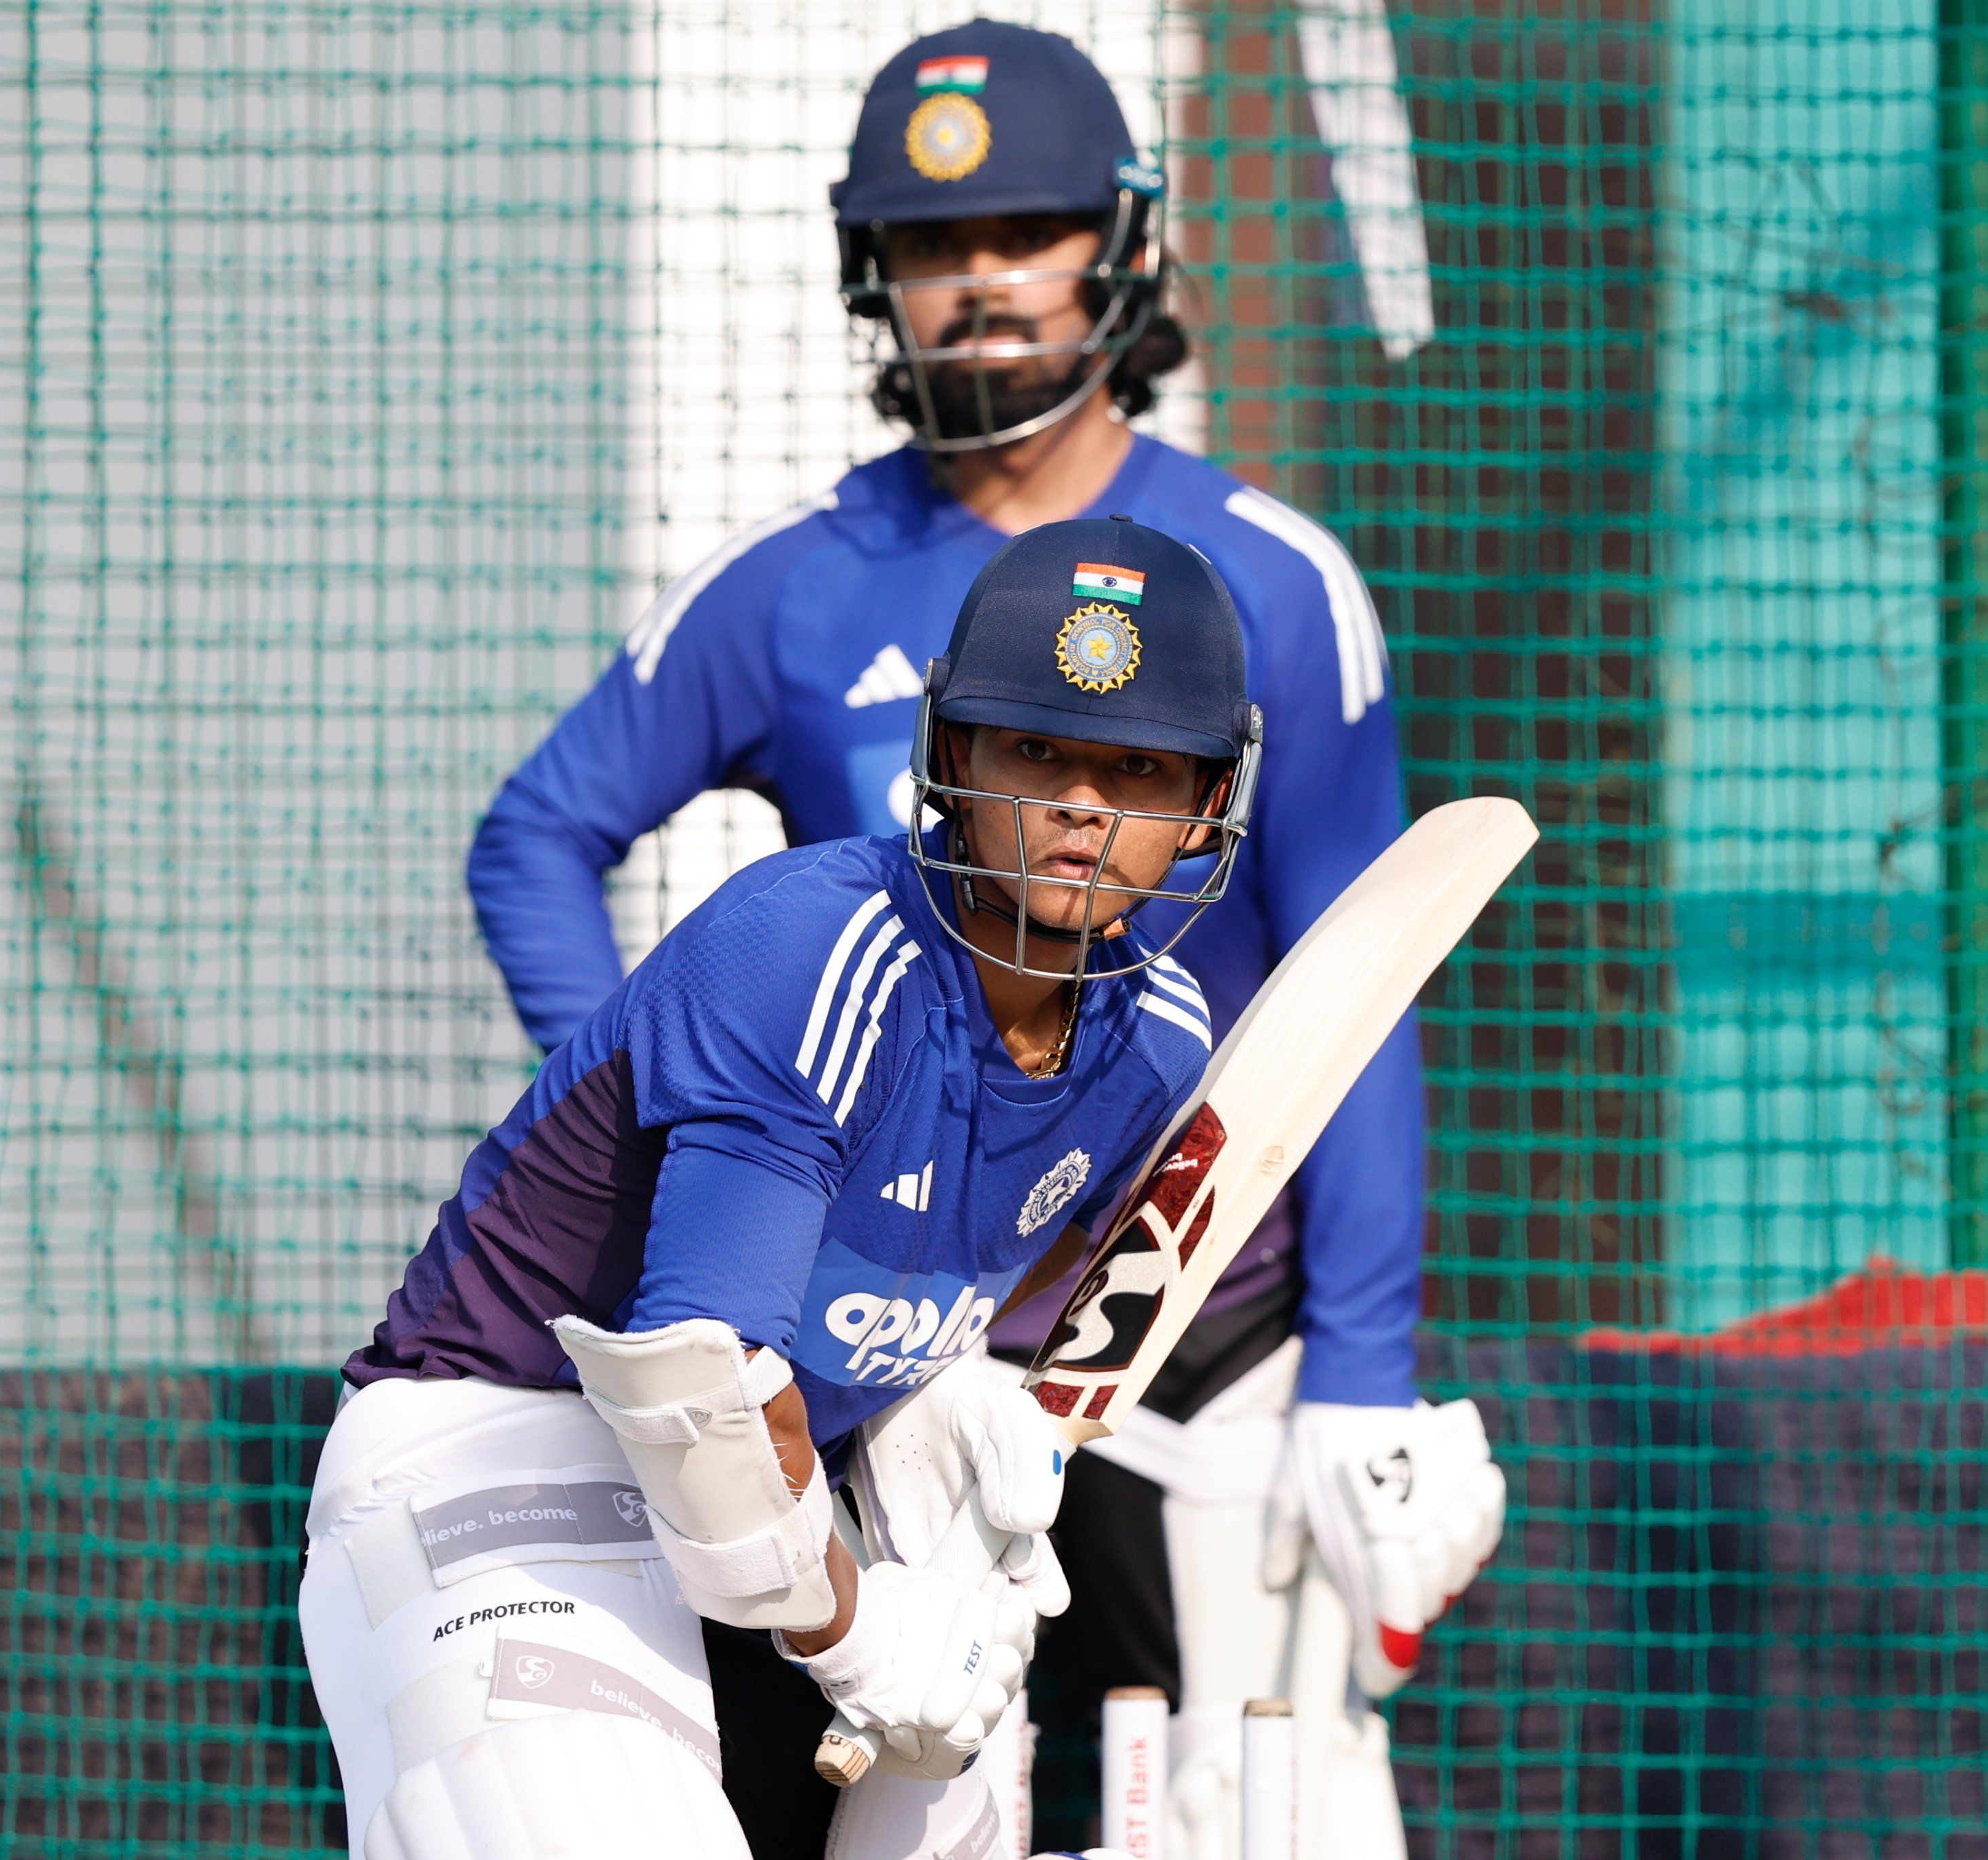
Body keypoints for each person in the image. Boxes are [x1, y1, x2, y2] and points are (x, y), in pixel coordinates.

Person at [465, 18, 1504, 1857]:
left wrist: (1359, 1373)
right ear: (882, 280)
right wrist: (641, 1097)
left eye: (1020, 232)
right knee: (950, 1811)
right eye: (934, 249)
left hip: (1208, 1332)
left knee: (1273, 1821)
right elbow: (538, 836)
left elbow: (1361, 993)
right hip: (912, 1361)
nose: (981, 288)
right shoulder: (791, 586)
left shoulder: (1269, 574)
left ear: (1119, 243)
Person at [308, 519, 1260, 1860]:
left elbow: (949, 1267)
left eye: (1138, 768)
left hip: (802, 1493)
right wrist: (861, 1628)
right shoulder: (811, 951)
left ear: (1207, 802)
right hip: (511, 1450)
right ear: (948, 755)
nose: (1083, 804)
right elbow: (692, 1387)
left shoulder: (1158, 1039)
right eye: (1035, 748)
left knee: (958, 1805)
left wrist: (947, 1396)